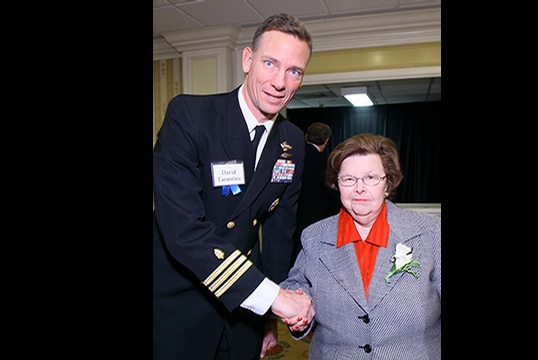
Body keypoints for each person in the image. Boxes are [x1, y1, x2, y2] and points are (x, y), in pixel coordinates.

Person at [153, 13, 315, 360]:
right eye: (270, 63)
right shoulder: (191, 117)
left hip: (244, 312)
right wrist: (272, 297)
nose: (280, 82)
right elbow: (183, 231)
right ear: (247, 59)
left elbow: (278, 231)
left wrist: (270, 317)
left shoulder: (291, 141)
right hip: (181, 301)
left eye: (294, 71)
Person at [280, 133, 441, 359]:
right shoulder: (314, 237)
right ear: (337, 185)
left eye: (371, 178)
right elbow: (298, 283)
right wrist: (299, 309)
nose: (359, 188)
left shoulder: (429, 232)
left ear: (388, 183)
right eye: (348, 179)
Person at [292, 122, 341, 264]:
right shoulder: (324, 162)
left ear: (306, 136)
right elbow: (331, 190)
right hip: (317, 216)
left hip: (294, 215)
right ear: (326, 141)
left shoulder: (294, 156)